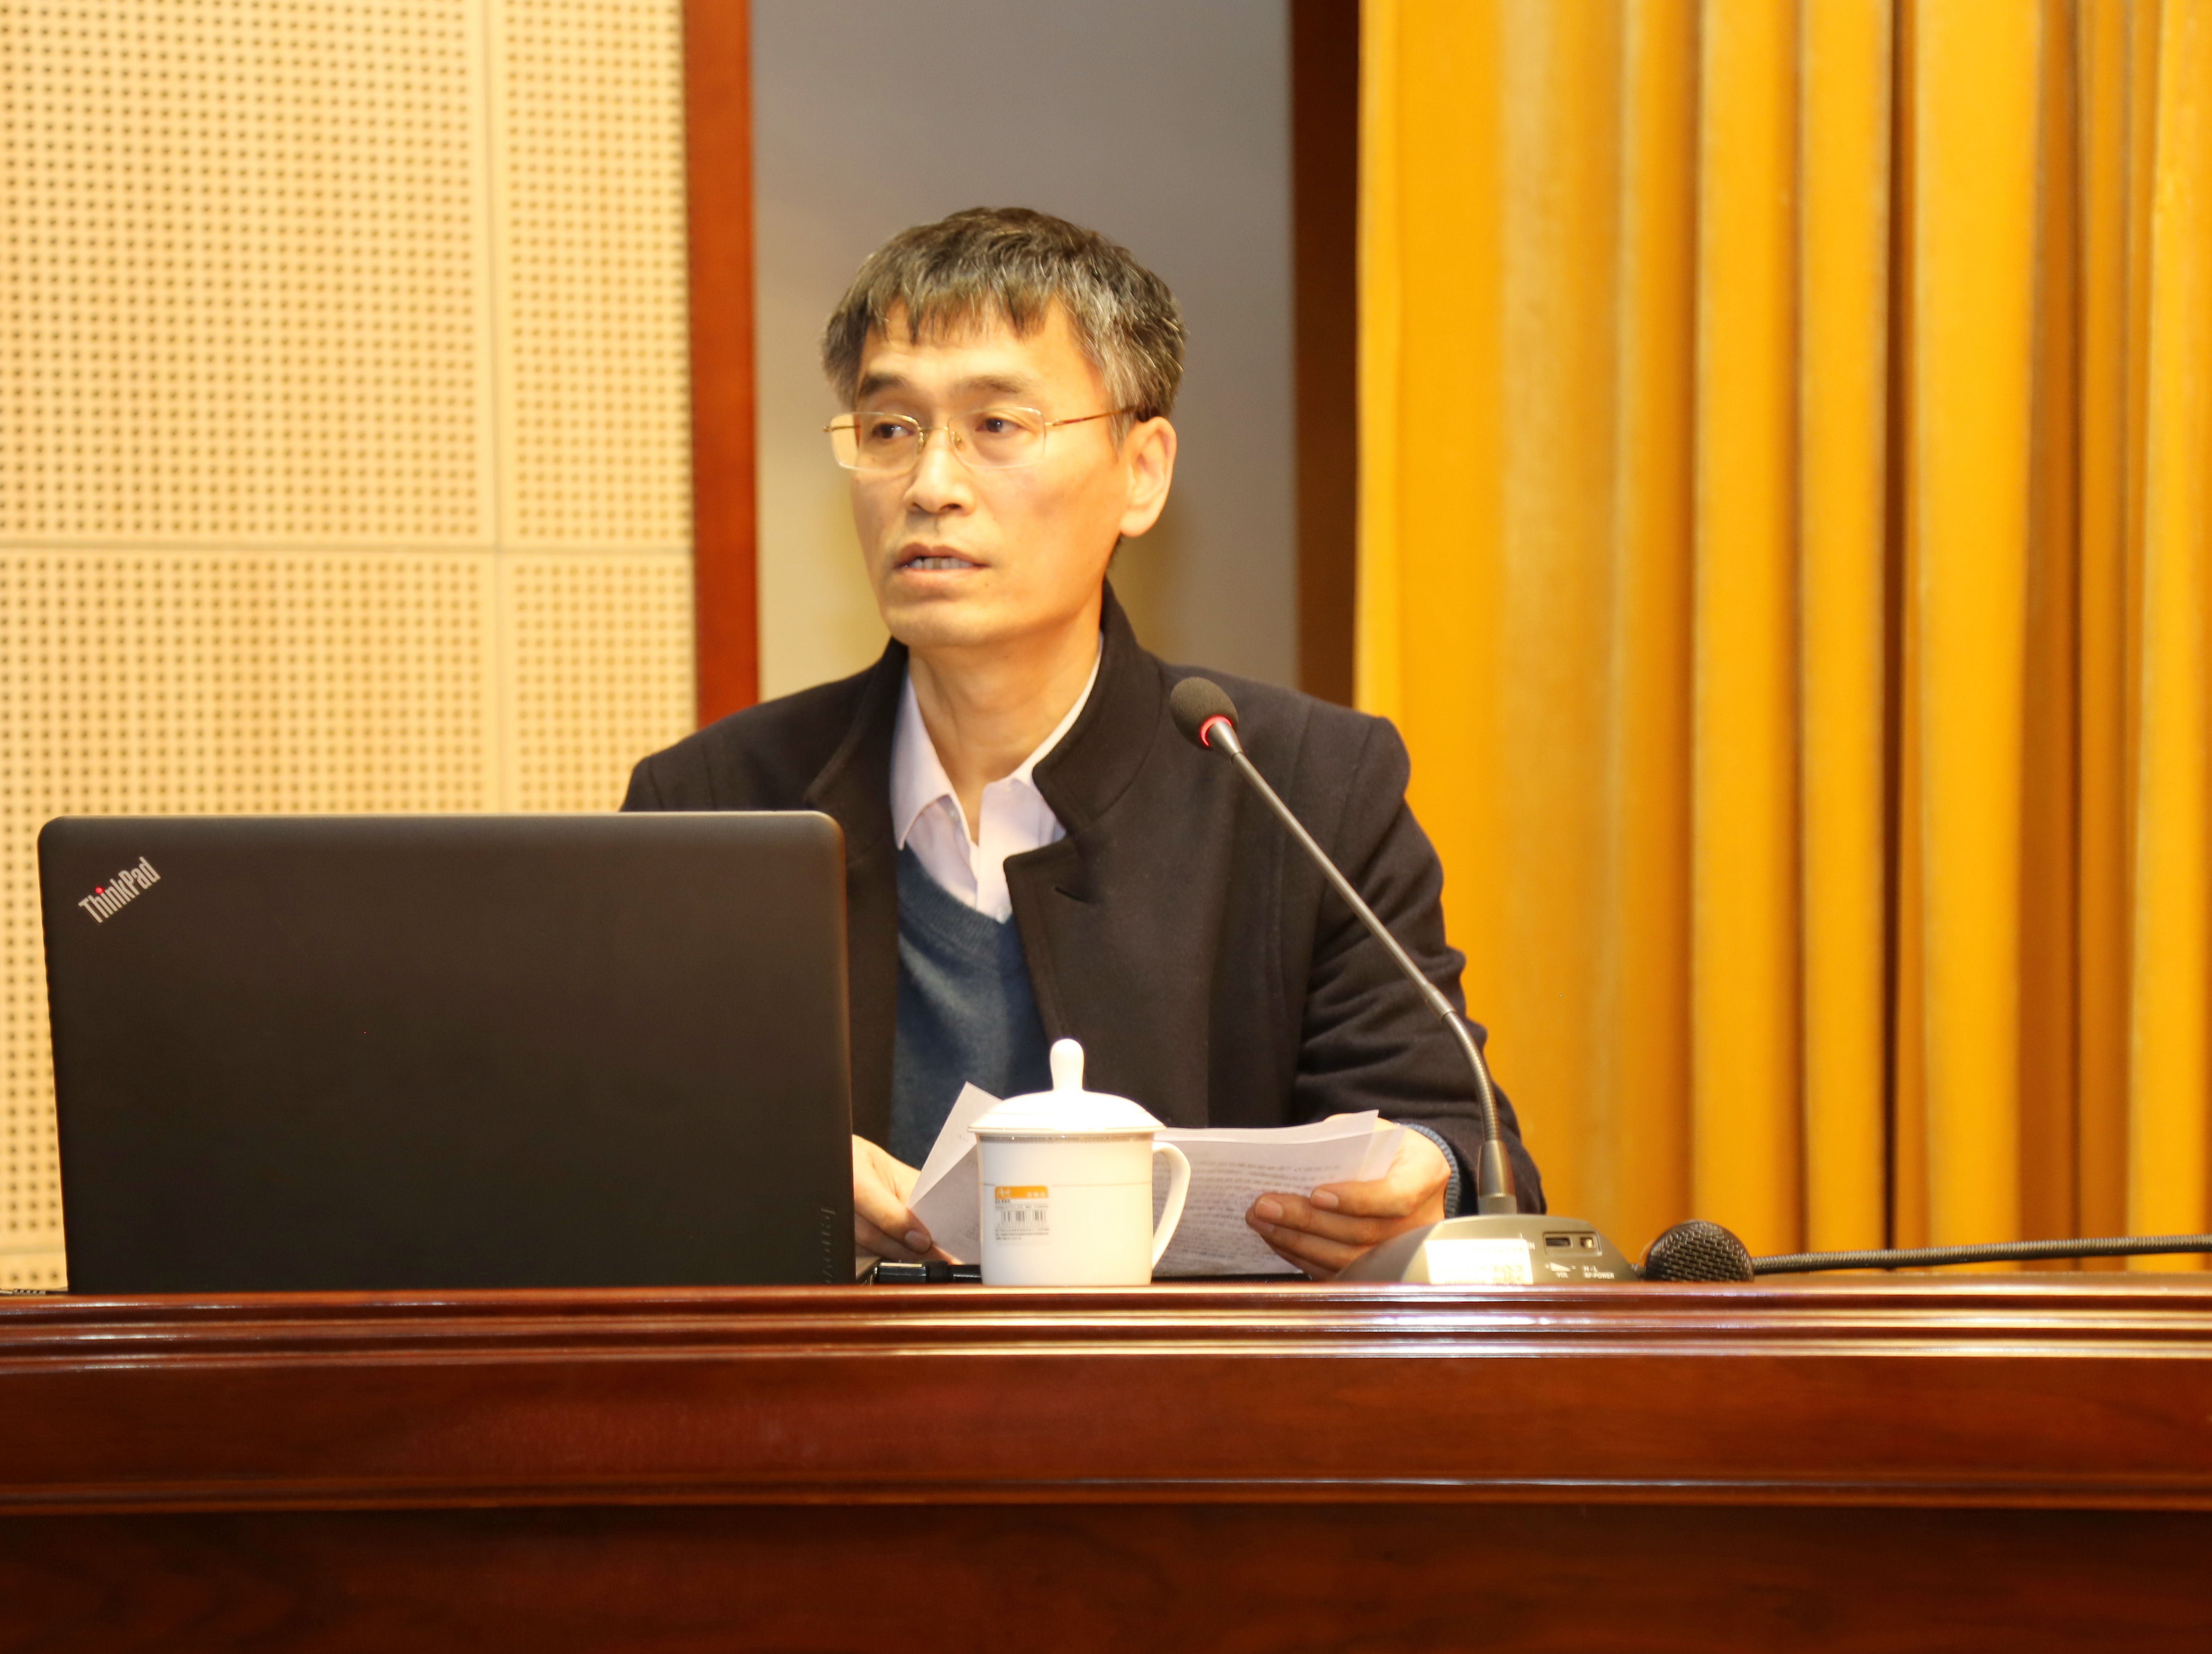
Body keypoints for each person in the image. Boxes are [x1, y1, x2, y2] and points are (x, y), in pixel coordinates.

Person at [623, 207, 1542, 1278]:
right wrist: (759, 1174)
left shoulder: (1301, 787)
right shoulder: (715, 803)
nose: (931, 484)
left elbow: (1459, 1135)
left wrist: (1428, 1175)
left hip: (1188, 1385)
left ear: (1141, 471)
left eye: (996, 425)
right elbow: (609, 1156)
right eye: (890, 429)